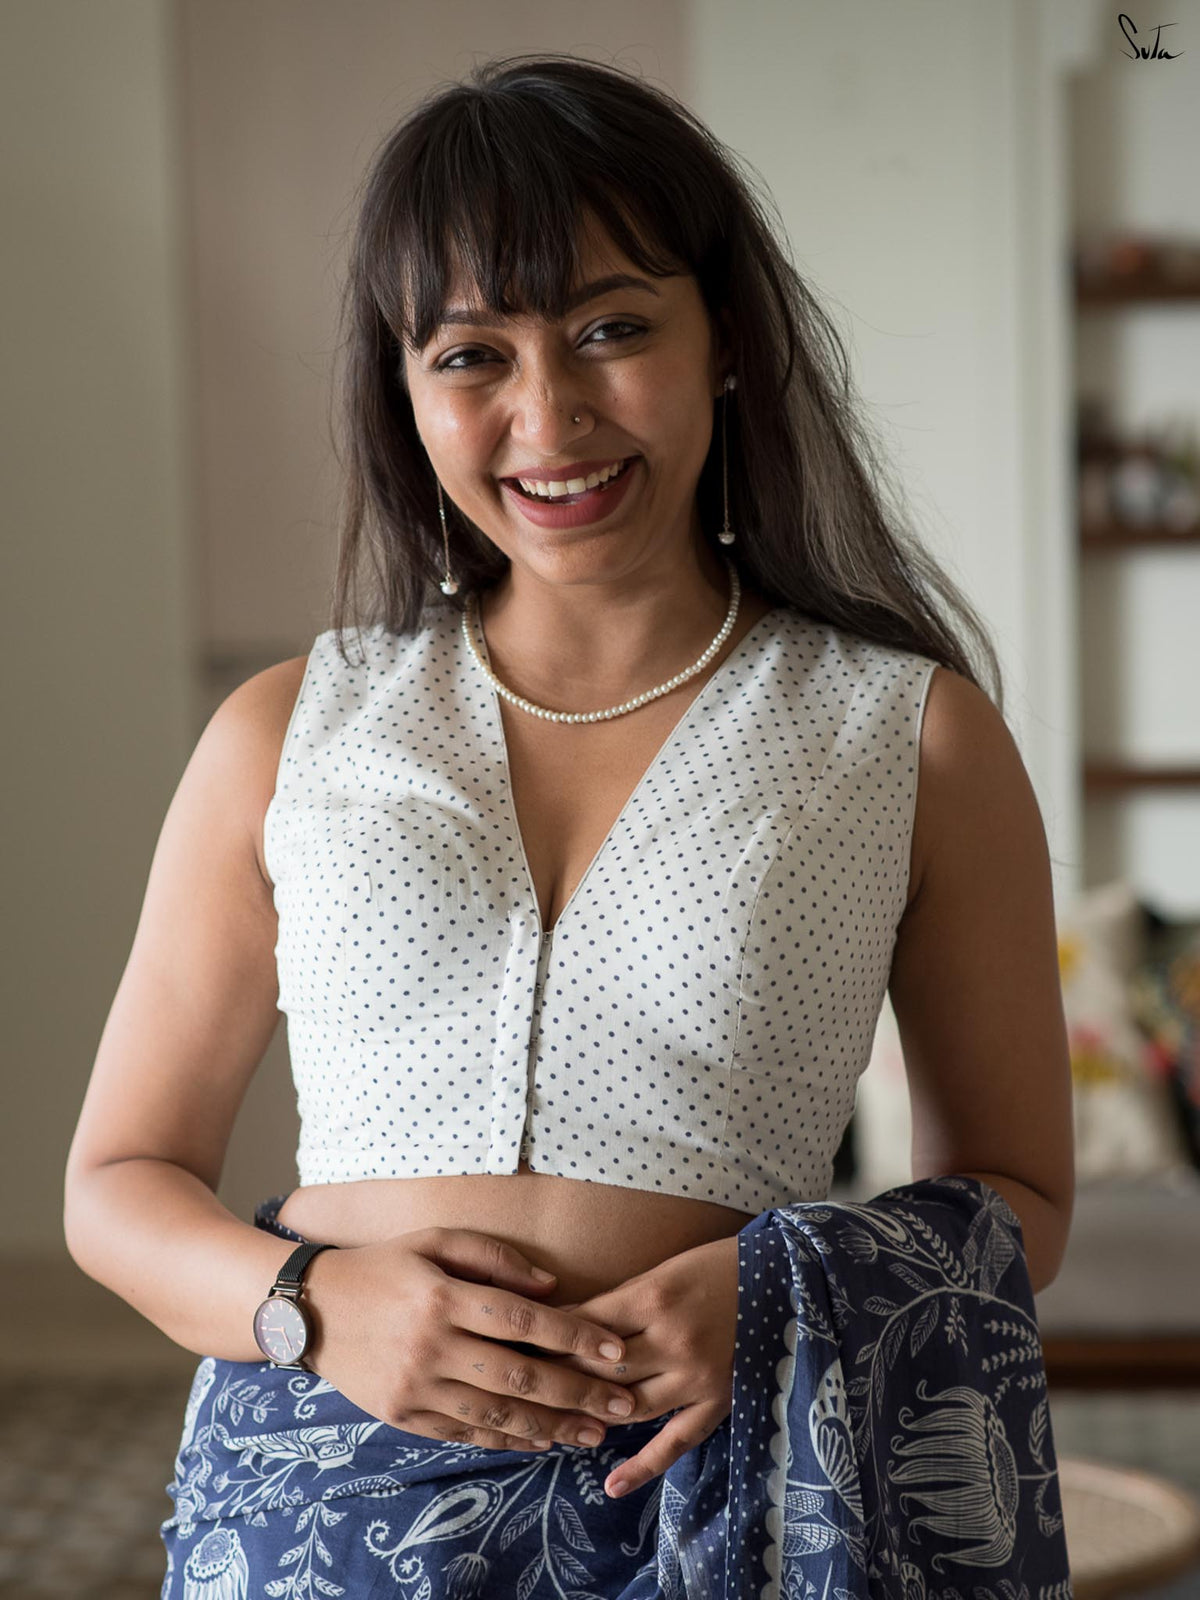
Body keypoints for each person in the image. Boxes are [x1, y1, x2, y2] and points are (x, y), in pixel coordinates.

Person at [63, 53, 1075, 1597]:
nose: (549, 415)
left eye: (612, 328)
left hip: (720, 1501)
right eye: (472, 354)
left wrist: (777, 1300)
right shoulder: (287, 732)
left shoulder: (907, 735)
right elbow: (117, 1184)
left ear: (724, 340)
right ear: (405, 394)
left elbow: (1023, 1198)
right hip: (324, 1520)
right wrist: (314, 1306)